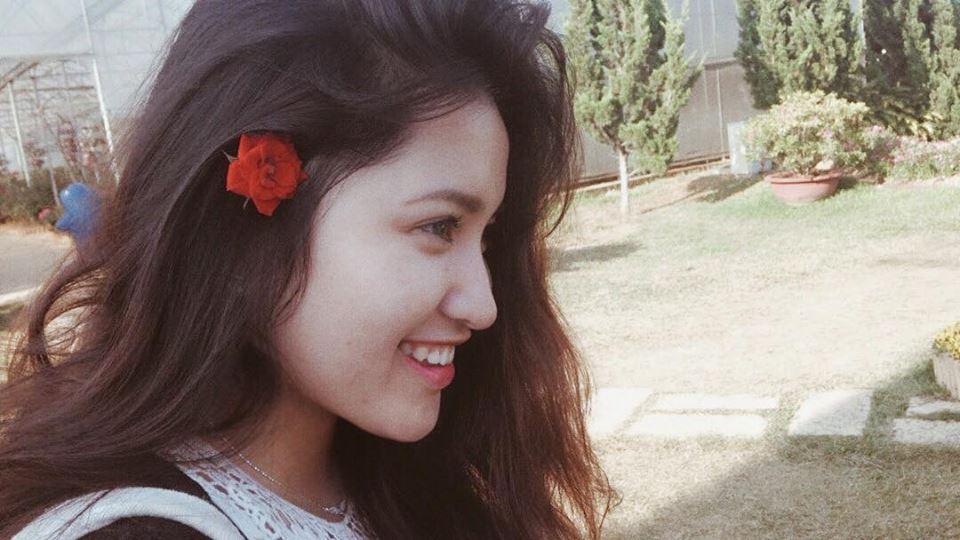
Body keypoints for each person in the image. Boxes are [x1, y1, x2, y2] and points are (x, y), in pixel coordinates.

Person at [0, 0, 618, 538]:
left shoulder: (401, 477)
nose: (484, 307)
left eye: (487, 241)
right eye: (438, 227)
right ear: (249, 222)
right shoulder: (131, 528)